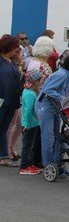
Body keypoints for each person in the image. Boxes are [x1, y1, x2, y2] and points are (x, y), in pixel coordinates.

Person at [35, 54, 69, 177]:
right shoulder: (61, 75)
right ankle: (49, 165)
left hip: (56, 107)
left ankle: (57, 164)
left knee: (58, 136)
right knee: (48, 137)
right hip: (46, 106)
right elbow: (48, 90)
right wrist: (64, 99)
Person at [0, 35, 23, 167]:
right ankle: (3, 155)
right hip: (1, 99)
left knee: (3, 128)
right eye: (16, 47)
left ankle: (3, 156)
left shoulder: (12, 61)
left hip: (12, 100)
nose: (18, 49)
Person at [18, 69, 44, 175]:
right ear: (36, 82)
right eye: (41, 81)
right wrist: (27, 125)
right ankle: (24, 166)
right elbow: (28, 111)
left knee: (31, 145)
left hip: (33, 123)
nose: (42, 83)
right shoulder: (30, 94)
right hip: (30, 124)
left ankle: (29, 164)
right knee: (27, 146)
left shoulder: (28, 91)